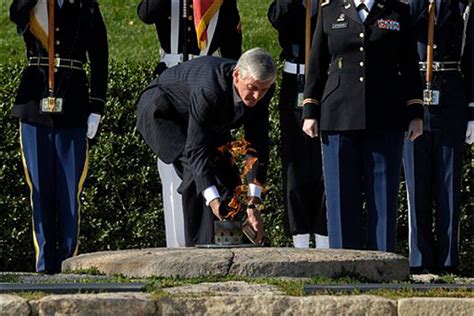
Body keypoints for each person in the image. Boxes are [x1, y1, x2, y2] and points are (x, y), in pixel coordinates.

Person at [302, 0, 424, 252]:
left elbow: (410, 64)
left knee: (383, 194)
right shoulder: (330, 10)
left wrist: (415, 111)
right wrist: (310, 109)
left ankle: (382, 264)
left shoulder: (397, 11)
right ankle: (344, 263)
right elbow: (316, 63)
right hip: (338, 114)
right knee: (340, 196)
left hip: (385, 115)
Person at [136, 48, 276, 246]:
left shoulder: (262, 91)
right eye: (252, 87)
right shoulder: (209, 89)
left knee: (228, 176)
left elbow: (257, 146)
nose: (257, 96)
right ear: (237, 75)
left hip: (208, 118)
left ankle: (229, 245)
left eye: (264, 89)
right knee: (197, 175)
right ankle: (200, 252)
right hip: (163, 112)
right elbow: (195, 150)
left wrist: (253, 203)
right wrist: (213, 200)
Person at [9, 0, 108, 273]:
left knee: (68, 190)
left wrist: (97, 107)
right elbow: (16, 14)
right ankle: (44, 264)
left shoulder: (87, 5)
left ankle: (67, 262)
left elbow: (100, 55)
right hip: (34, 102)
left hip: (74, 100)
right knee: (39, 188)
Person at [137, 0, 242, 248]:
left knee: (212, 166)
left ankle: (209, 241)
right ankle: (177, 244)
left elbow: (233, 50)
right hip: (171, 85)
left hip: (209, 86)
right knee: (174, 173)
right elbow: (146, 13)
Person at [403, 0, 473, 274]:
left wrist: (471, 110)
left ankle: (448, 260)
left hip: (451, 94)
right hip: (416, 91)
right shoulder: (408, 3)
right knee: (416, 184)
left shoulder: (462, 5)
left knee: (448, 184)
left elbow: (471, 57)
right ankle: (419, 259)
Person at [268, 0, 328, 249]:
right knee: (295, 163)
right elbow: (276, 15)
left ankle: (325, 235)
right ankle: (300, 236)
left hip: (326, 80)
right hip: (295, 80)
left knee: (325, 161)